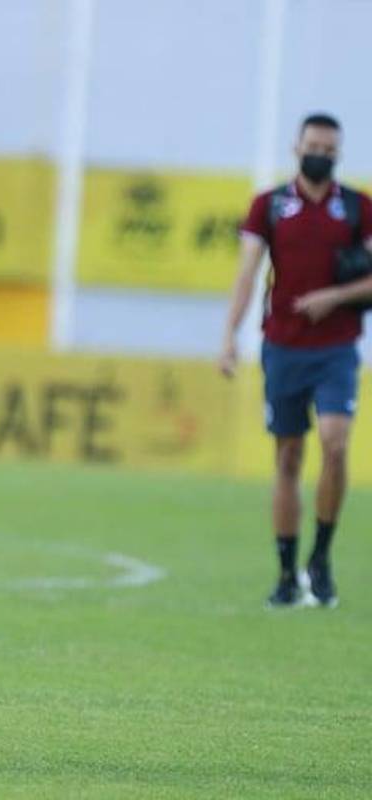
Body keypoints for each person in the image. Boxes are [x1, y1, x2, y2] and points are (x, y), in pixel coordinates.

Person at [220, 112, 372, 609]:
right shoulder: (269, 206)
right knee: (288, 456)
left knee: (335, 442)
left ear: (339, 154)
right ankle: (286, 574)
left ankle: (320, 558)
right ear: (297, 147)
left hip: (337, 347)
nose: (320, 156)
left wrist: (335, 296)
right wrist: (229, 336)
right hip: (283, 347)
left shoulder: (357, 207)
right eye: (314, 147)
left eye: (329, 150)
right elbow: (247, 274)